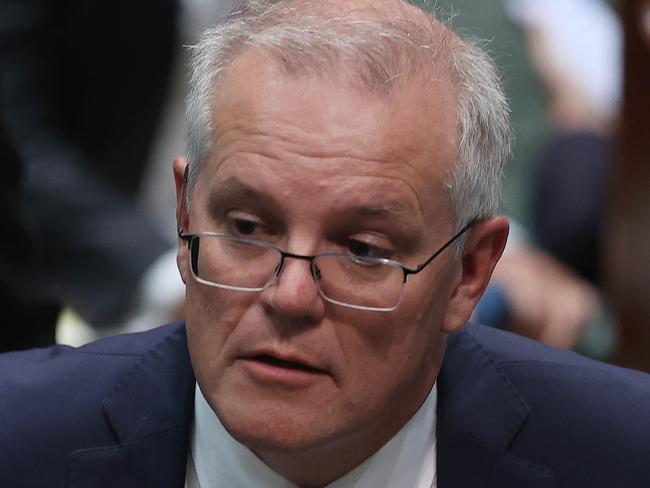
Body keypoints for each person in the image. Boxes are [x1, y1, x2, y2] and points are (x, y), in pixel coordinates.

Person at [2, 1, 650, 487]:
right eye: (247, 230)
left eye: (363, 251)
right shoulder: (19, 440)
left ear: (470, 273)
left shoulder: (622, 453)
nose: (288, 297)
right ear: (183, 213)